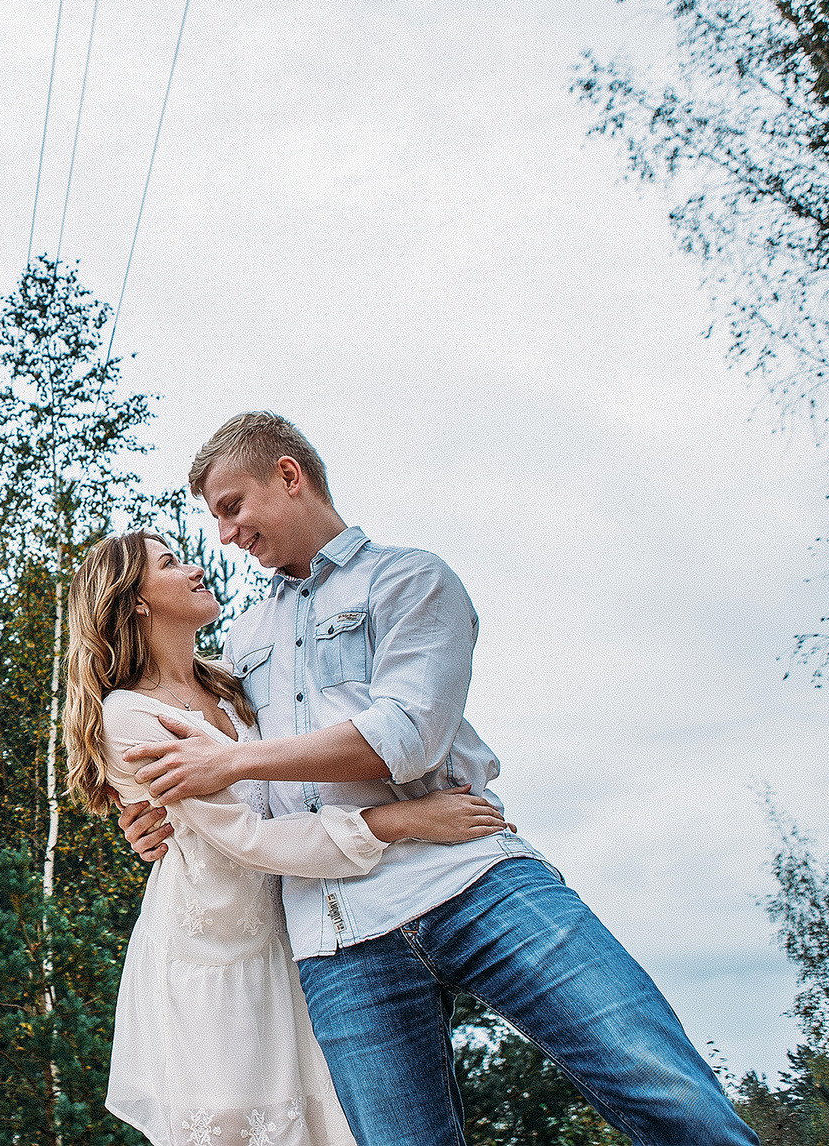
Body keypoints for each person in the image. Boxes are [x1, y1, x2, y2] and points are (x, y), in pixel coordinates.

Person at [113, 411, 757, 1146]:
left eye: (232, 507)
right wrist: (163, 817)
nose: (225, 534)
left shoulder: (411, 577)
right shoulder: (243, 637)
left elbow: (406, 737)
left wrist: (230, 763)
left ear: (288, 475)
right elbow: (223, 771)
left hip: (469, 875)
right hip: (337, 934)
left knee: (663, 1086)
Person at [66, 529, 514, 1146]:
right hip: (216, 957)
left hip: (297, 929)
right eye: (172, 564)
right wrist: (404, 821)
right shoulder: (130, 715)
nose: (197, 568)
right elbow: (246, 837)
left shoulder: (231, 679)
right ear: (135, 600)